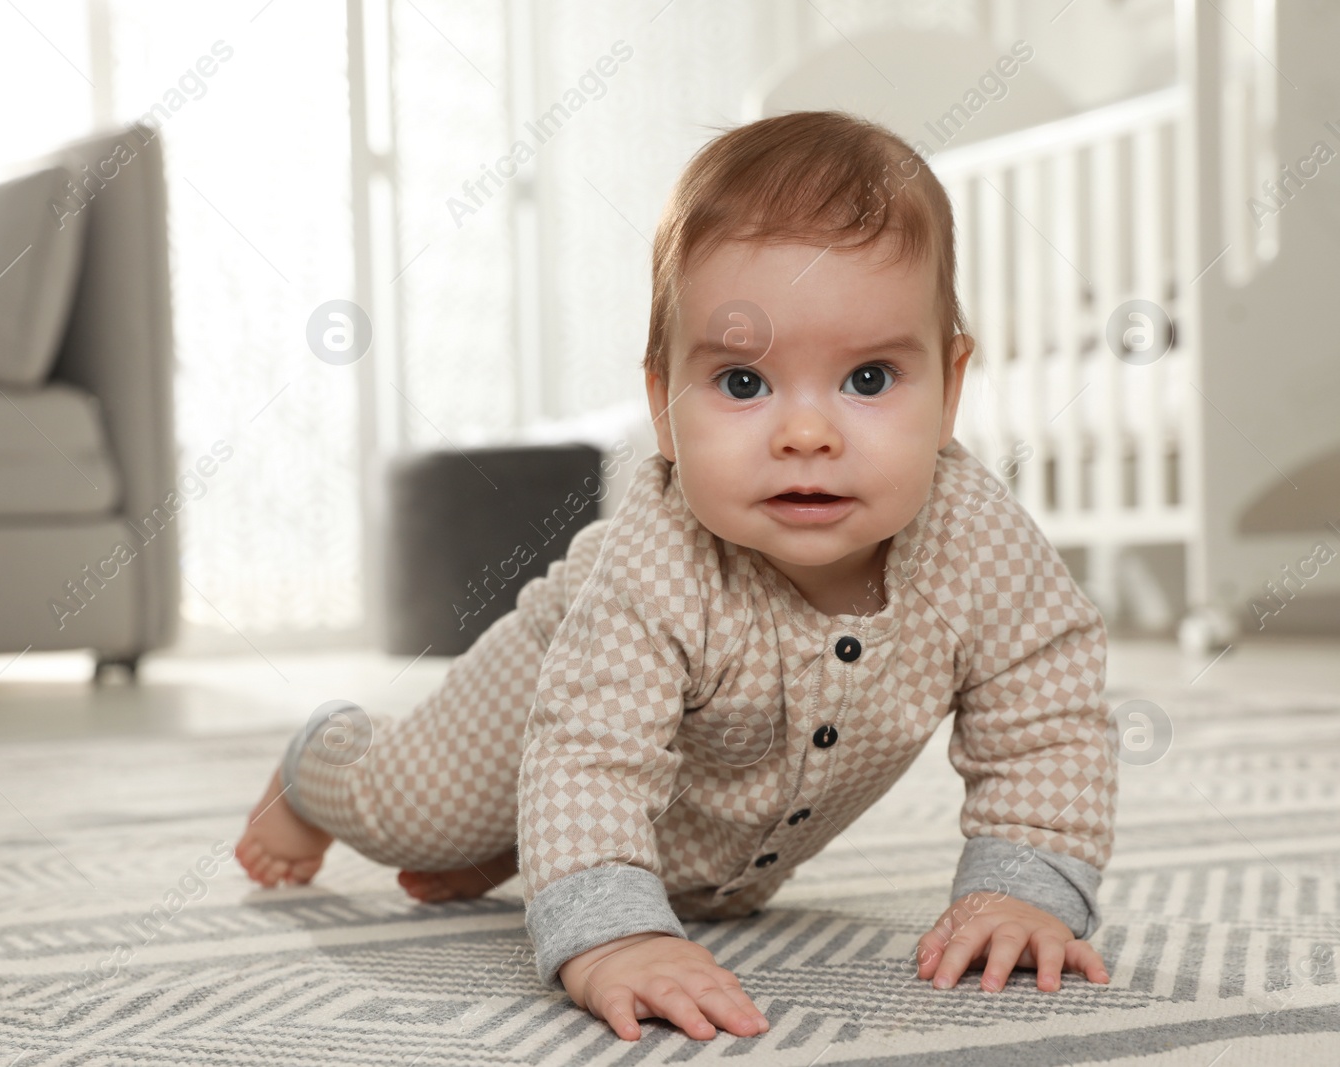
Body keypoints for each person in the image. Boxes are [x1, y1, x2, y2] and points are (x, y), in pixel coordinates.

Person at [235, 110, 1116, 1043]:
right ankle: (319, 764)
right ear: (664, 404)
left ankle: (518, 846)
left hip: (712, 846)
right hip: (551, 693)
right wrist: (613, 937)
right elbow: (591, 759)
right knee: (411, 818)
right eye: (743, 384)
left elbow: (1046, 719)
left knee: (685, 885)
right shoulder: (655, 566)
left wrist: (1021, 888)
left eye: (868, 379)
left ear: (952, 386)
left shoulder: (981, 546)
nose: (806, 433)